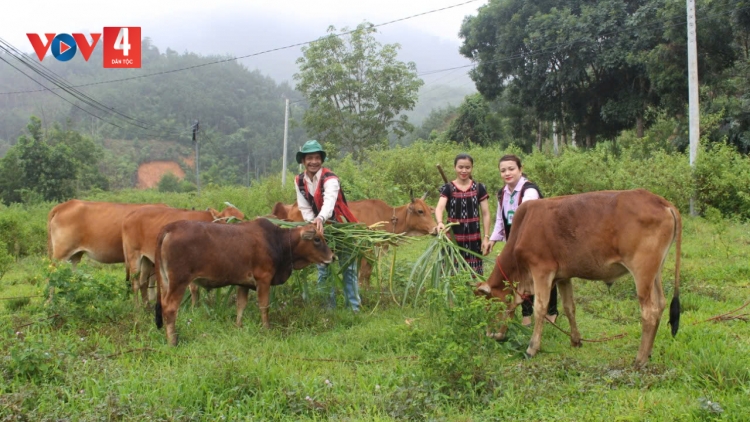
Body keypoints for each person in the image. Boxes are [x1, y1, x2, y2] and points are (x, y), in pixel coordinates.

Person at [485, 154, 558, 326]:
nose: (507, 173)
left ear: (520, 169)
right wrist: (492, 240)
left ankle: (551, 311)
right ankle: (527, 313)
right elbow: (500, 220)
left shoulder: (529, 191)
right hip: (514, 240)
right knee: (521, 277)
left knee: (543, 273)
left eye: (511, 169)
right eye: (503, 170)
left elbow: (526, 220)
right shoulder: (502, 193)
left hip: (534, 239)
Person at [295, 140, 361, 311]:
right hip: (320, 230)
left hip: (340, 227)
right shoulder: (300, 181)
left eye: (317, 158)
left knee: (348, 268)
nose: (313, 161)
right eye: (309, 158)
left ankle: (354, 309)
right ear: (303, 161)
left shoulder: (330, 178)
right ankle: (327, 309)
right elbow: (304, 205)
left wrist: (321, 219)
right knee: (323, 269)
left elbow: (329, 201)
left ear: (321, 160)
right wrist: (313, 223)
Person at [434, 153, 491, 276]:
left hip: (473, 239)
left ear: (472, 168)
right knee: (452, 273)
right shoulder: (448, 188)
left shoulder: (479, 188)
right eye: (460, 167)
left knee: (473, 275)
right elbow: (439, 208)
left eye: (467, 167)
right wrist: (439, 222)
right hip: (453, 238)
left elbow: (486, 214)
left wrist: (486, 237)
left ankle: (472, 294)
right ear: (455, 168)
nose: (464, 170)